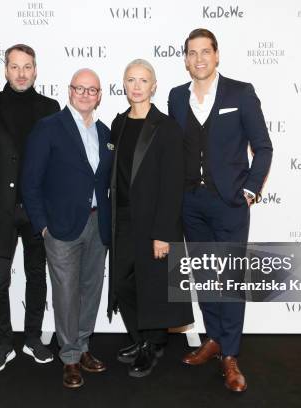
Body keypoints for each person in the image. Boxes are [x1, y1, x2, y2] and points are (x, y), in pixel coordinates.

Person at [168, 28, 273, 393]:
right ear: (185, 59)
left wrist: (249, 189)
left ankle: (230, 354)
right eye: (192, 53)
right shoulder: (176, 98)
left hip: (229, 203)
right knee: (203, 275)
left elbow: (263, 147)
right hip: (190, 203)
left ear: (216, 55)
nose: (199, 59)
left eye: (205, 52)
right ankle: (212, 338)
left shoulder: (240, 93)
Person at [0, 44, 60, 372]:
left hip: (37, 212)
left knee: (36, 276)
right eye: (15, 66)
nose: (21, 73)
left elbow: (57, 163)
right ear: (5, 69)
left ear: (36, 70)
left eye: (27, 66)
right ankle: (4, 342)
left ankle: (33, 338)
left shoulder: (51, 108)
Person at [22, 68, 113, 389]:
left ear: (99, 95)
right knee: (65, 293)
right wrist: (42, 226)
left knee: (91, 291)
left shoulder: (105, 133)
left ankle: (84, 346)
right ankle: (70, 357)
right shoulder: (48, 128)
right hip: (60, 228)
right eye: (80, 88)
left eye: (93, 90)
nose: (86, 94)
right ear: (70, 91)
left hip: (96, 223)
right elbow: (30, 182)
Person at [108, 59, 193, 377]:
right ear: (124, 84)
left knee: (153, 286)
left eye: (143, 80)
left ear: (153, 86)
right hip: (123, 220)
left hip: (154, 221)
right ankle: (140, 337)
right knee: (122, 282)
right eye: (131, 79)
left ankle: (153, 346)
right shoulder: (118, 124)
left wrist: (163, 233)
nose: (137, 86)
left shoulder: (167, 127)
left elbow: (173, 185)